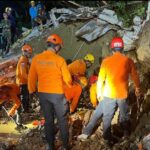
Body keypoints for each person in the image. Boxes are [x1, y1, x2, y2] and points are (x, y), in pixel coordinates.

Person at [78, 37, 141, 148]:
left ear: (112, 49)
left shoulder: (106, 61)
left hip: (108, 94)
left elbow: (100, 79)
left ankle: (107, 138)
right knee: (124, 116)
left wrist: (99, 93)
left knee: (107, 117)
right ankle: (126, 135)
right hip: (122, 94)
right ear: (122, 48)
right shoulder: (128, 60)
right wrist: (137, 88)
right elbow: (135, 76)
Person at [28, 34, 72, 150]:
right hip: (57, 94)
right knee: (62, 120)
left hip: (43, 94)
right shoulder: (60, 60)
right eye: (59, 48)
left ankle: (50, 146)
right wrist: (69, 84)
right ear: (56, 47)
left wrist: (32, 91)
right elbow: (68, 79)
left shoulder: (36, 59)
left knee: (48, 121)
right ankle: (66, 146)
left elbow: (31, 78)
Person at [16, 44, 32, 112]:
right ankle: (25, 111)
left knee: (26, 96)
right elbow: (23, 74)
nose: (30, 54)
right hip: (22, 82)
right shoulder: (23, 60)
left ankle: (27, 110)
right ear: (25, 52)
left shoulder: (26, 60)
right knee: (24, 96)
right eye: (29, 53)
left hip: (25, 81)